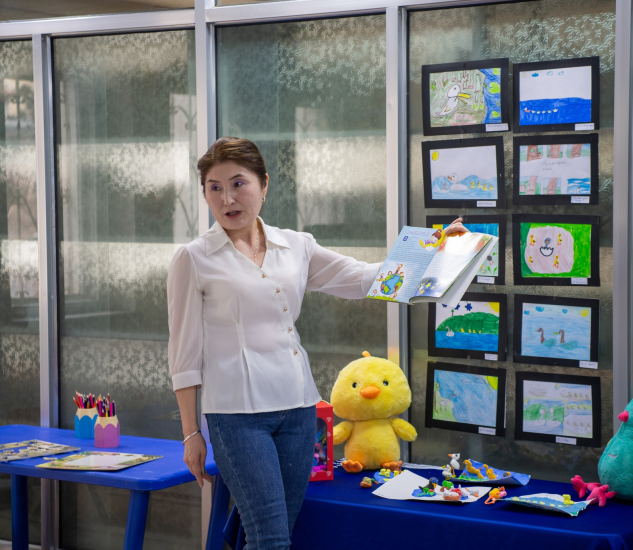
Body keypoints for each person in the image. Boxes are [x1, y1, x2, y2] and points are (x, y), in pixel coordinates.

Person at [168, 137, 466, 549]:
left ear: (264, 184)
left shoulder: (297, 246)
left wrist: (432, 247)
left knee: (278, 533)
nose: (227, 198)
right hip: (236, 416)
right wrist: (190, 435)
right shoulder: (194, 258)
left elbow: (361, 278)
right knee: (270, 537)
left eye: (238, 184)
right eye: (214, 188)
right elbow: (184, 354)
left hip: (298, 408)